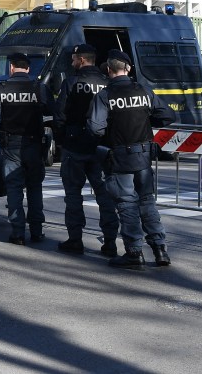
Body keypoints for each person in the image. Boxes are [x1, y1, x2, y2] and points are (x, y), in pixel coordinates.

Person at [87, 49, 175, 269]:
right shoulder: (144, 90)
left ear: (108, 70)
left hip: (120, 157)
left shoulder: (105, 96)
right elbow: (167, 116)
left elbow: (95, 127)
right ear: (128, 68)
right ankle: (160, 249)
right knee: (147, 202)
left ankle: (134, 252)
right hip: (144, 156)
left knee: (127, 205)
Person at [51, 44, 120, 257]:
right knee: (105, 196)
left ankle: (75, 239)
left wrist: (62, 141)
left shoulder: (71, 82)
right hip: (101, 147)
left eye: (73, 59)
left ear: (81, 60)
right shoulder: (107, 83)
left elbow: (60, 115)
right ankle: (110, 242)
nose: (72, 63)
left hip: (75, 146)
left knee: (73, 195)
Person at [0, 53, 53, 245]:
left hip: (11, 145)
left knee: (14, 188)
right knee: (35, 187)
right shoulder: (39, 88)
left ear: (11, 67)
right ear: (28, 69)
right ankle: (36, 231)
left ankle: (18, 233)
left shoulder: (1, 88)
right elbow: (54, 112)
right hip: (35, 144)